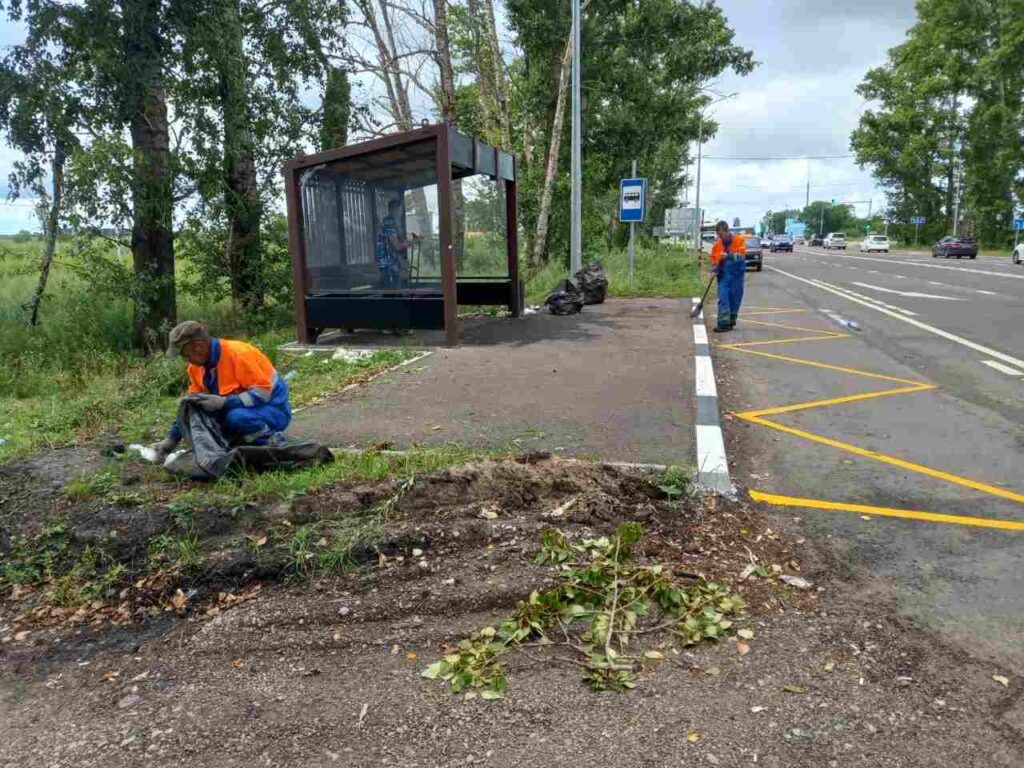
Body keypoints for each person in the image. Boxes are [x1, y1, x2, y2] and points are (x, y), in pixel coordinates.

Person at [150, 321, 292, 462]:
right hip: (241, 410)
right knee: (212, 421)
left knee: (236, 418)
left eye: (186, 356)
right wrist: (171, 440)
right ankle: (244, 441)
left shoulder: (239, 354)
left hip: (273, 409)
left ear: (199, 347)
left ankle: (273, 442)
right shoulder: (195, 368)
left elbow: (263, 394)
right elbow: (191, 406)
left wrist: (226, 402)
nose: (186, 361)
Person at [709, 220, 747, 333]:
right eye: (718, 235)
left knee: (735, 299)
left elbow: (741, 256)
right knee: (723, 299)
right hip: (723, 277)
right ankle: (723, 323)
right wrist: (714, 267)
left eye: (721, 234)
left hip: (736, 277)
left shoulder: (739, 241)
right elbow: (714, 260)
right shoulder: (717, 245)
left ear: (727, 231)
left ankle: (731, 321)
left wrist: (728, 256)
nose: (720, 237)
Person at [376, 199, 419, 289]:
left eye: (401, 211)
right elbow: (397, 246)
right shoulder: (389, 223)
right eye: (399, 210)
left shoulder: (392, 223)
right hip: (389, 265)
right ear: (392, 210)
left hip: (392, 264)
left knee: (394, 291)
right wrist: (413, 242)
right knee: (392, 292)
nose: (400, 213)